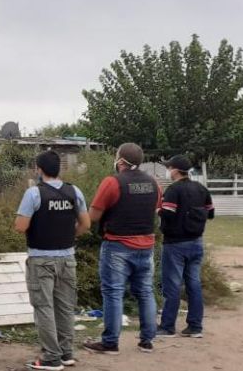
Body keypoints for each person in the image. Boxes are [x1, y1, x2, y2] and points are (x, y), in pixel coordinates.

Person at [13, 150, 91, 371]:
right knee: (65, 307)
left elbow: (20, 226)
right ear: (59, 168)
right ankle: (66, 353)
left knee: (43, 307)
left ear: (39, 169)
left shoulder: (34, 194)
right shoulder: (74, 191)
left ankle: (51, 357)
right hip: (68, 258)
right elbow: (85, 224)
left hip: (41, 259)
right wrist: (67, 234)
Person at [84, 143, 162, 355]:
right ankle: (147, 341)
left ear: (120, 161)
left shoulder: (112, 182)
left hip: (117, 245)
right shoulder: (154, 182)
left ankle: (110, 343)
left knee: (113, 292)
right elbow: (155, 208)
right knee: (146, 292)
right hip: (146, 245)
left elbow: (93, 216)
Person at [157, 154, 214, 339]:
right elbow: (210, 213)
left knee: (172, 285)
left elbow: (168, 214)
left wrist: (157, 209)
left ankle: (167, 327)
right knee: (194, 284)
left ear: (174, 170)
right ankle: (195, 327)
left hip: (175, 244)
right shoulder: (201, 189)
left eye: (169, 167)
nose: (168, 170)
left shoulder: (173, 190)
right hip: (196, 242)